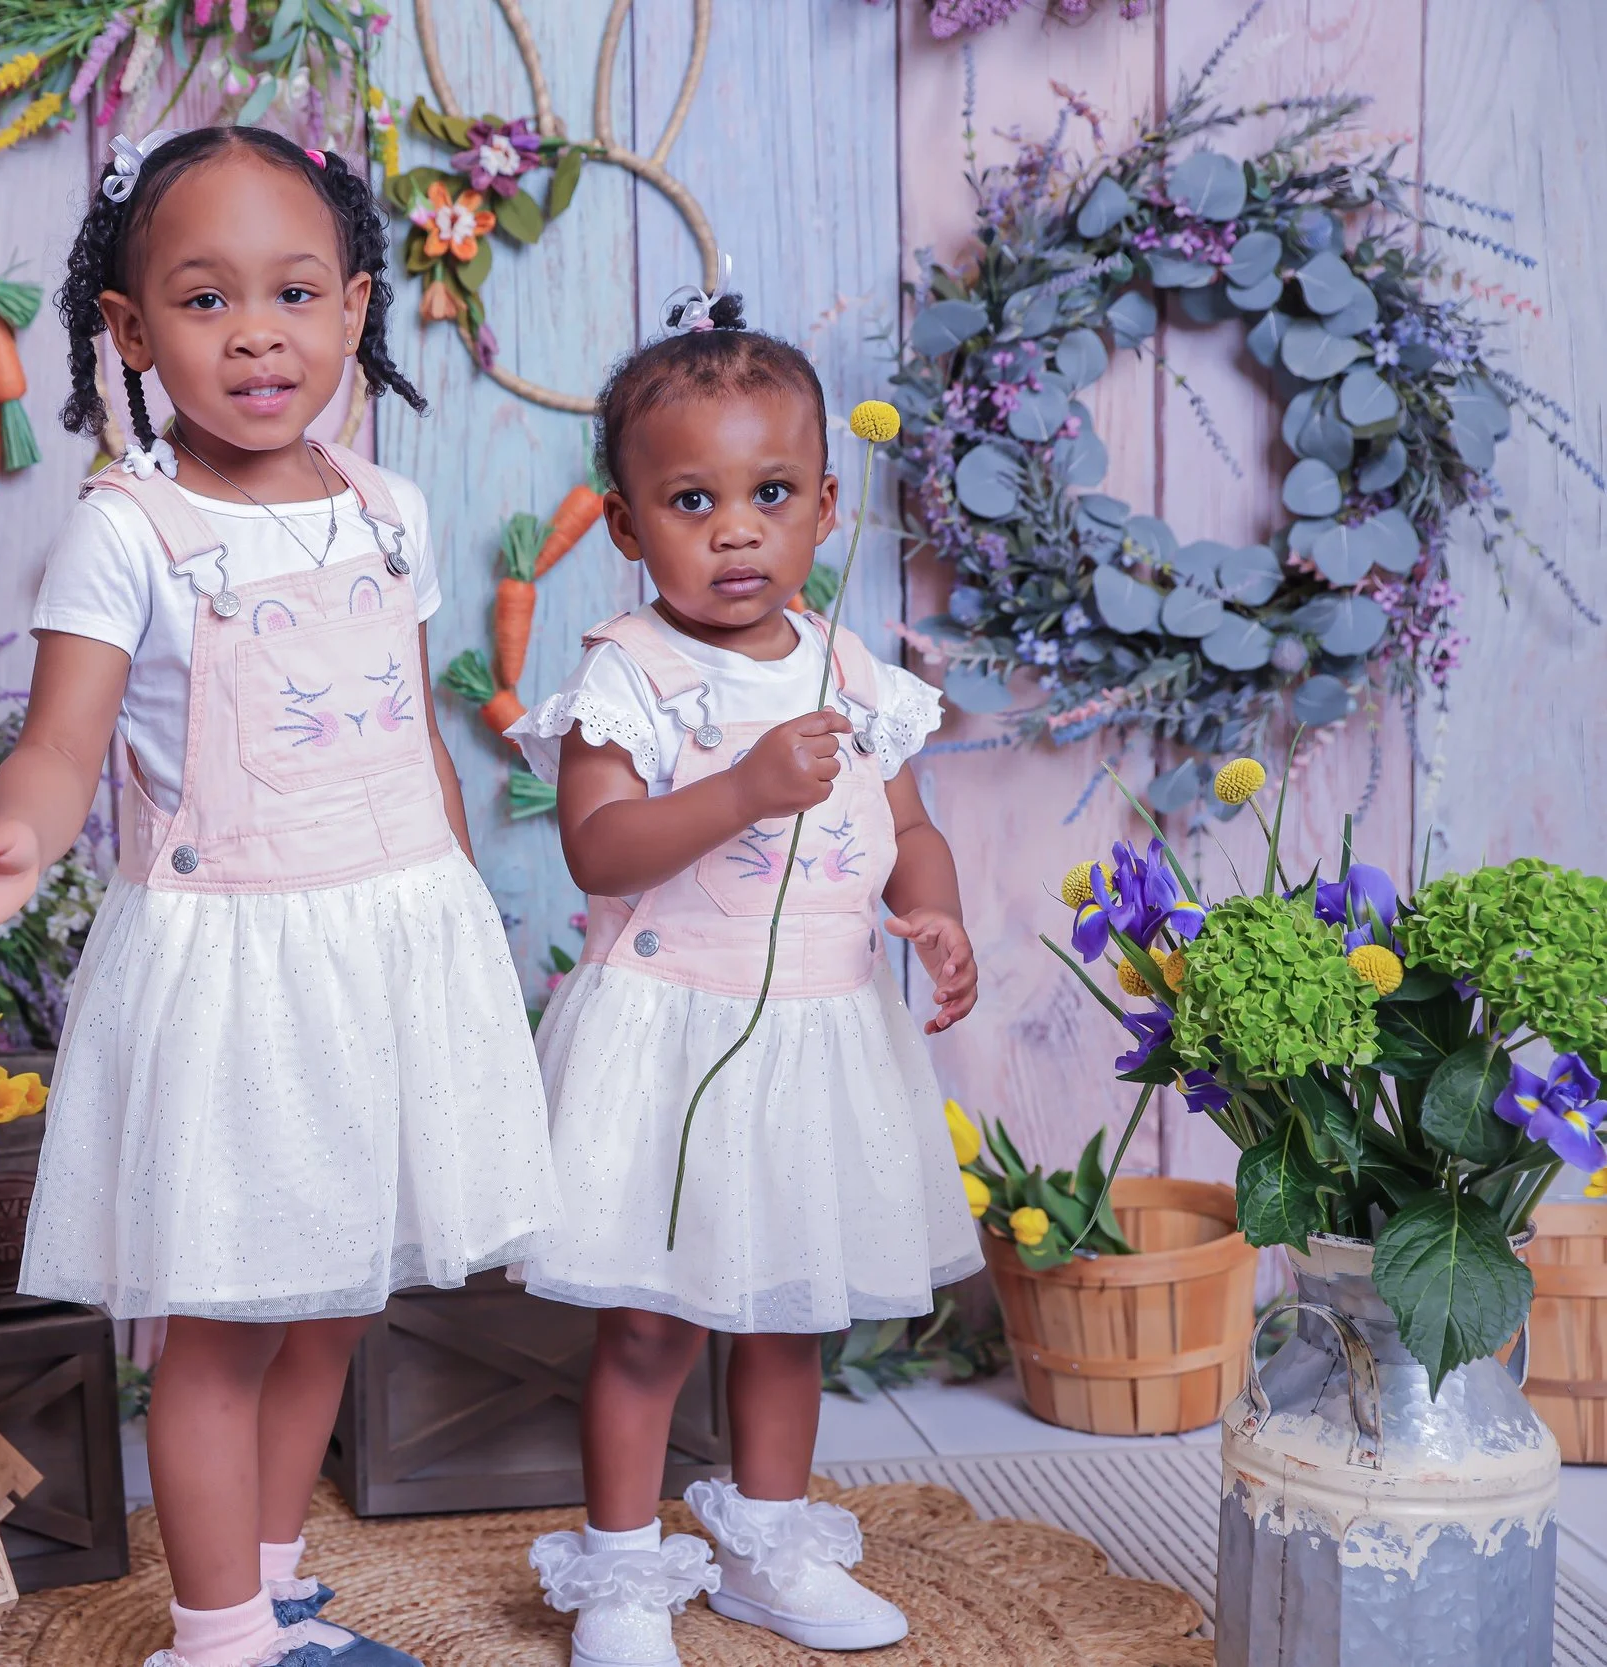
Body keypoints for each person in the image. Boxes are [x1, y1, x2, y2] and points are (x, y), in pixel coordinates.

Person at [0, 125, 558, 1667]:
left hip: (389, 946)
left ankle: (271, 1579)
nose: (257, 333)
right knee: (216, 1322)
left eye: (291, 293)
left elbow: (414, 736)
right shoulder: (126, 530)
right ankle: (214, 1639)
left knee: (336, 1295)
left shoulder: (388, 510)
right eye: (204, 302)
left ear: (353, 309)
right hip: (232, 970)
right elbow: (60, 751)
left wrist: (463, 918)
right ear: (130, 334)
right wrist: (13, 841)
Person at [511, 292, 981, 1665]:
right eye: (690, 498)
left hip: (818, 1044)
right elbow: (600, 851)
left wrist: (933, 912)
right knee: (653, 1323)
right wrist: (739, 787)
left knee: (790, 1314)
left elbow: (908, 828)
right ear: (624, 522)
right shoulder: (630, 679)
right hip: (671, 1044)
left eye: (769, 493)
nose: (734, 529)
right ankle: (618, 1576)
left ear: (826, 506)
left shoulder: (854, 673)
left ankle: (772, 1547)